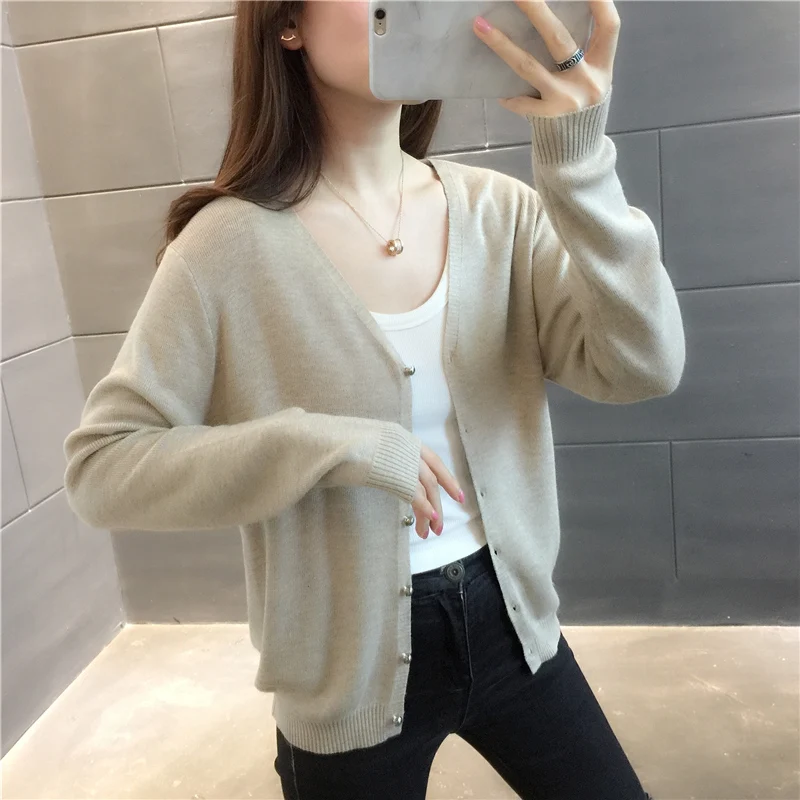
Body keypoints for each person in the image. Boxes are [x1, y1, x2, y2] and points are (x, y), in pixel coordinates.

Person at [64, 0, 681, 797]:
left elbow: (644, 365)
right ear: (287, 24)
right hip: (344, 672)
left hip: (515, 623)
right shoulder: (224, 248)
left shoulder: (500, 213)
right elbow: (102, 468)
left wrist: (579, 163)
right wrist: (331, 446)